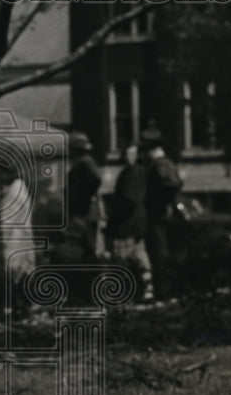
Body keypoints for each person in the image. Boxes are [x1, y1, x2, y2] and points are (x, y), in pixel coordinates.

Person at [106, 143, 154, 302]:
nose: (128, 157)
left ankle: (122, 293)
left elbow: (129, 199)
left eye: (131, 153)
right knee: (139, 257)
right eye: (126, 153)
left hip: (126, 222)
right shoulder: (138, 172)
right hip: (137, 221)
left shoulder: (132, 173)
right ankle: (146, 289)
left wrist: (114, 214)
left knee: (121, 258)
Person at [141, 126, 182, 301]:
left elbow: (172, 184)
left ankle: (163, 291)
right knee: (160, 251)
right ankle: (164, 289)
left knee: (159, 252)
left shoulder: (160, 164)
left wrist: (161, 201)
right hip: (162, 213)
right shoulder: (165, 163)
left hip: (158, 214)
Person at [55, 131, 102, 264]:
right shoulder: (83, 163)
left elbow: (96, 179)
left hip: (82, 215)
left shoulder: (84, 162)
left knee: (84, 252)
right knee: (84, 251)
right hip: (84, 215)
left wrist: (85, 198)